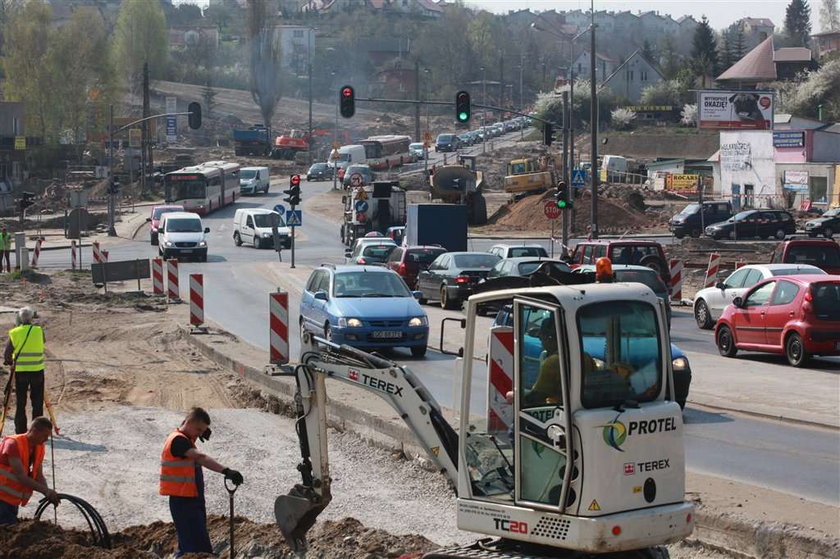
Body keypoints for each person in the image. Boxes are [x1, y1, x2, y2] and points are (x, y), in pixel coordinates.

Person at [160, 407, 243, 557]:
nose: (200, 434)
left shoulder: (186, 439)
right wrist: (226, 471)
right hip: (183, 502)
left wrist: (197, 435)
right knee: (193, 547)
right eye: (198, 430)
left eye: (202, 431)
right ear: (189, 422)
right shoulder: (178, 441)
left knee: (196, 543)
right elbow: (201, 458)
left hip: (192, 499)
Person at [0, 416, 60, 525]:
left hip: (11, 500)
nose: (46, 440)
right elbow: (21, 476)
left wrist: (48, 493)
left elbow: (39, 476)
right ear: (34, 431)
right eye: (45, 436)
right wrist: (45, 491)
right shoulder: (13, 444)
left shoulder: (39, 447)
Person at [4, 307, 46, 435]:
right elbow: (42, 342)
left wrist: (10, 362)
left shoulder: (14, 332)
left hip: (21, 372)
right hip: (37, 371)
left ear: (19, 318)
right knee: (37, 402)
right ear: (31, 318)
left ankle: (20, 430)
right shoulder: (39, 330)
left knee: (21, 402)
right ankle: (38, 430)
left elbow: (7, 354)